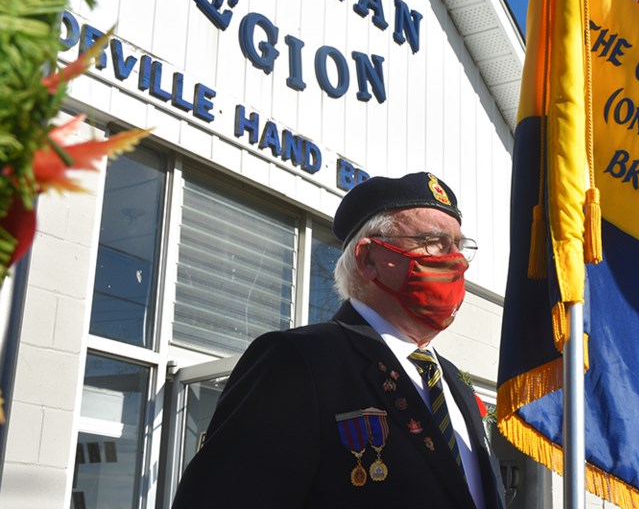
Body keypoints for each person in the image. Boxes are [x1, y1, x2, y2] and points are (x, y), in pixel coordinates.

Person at [171, 171, 505, 509]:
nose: (456, 259)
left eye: (459, 246)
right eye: (434, 241)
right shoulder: (299, 361)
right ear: (368, 258)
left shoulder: (455, 385)